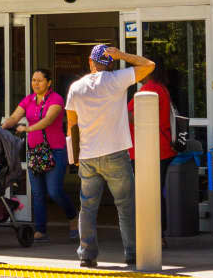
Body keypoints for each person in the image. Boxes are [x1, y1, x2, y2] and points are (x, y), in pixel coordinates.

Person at [66, 44, 155, 269]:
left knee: (87, 207)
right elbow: (149, 65)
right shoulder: (117, 79)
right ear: (111, 63)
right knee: (125, 205)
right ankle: (132, 253)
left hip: (87, 155)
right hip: (115, 153)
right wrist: (122, 55)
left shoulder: (76, 88)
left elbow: (72, 125)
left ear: (90, 61)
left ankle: (86, 255)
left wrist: (75, 157)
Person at [1, 67, 78, 243]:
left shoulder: (56, 99)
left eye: (40, 80)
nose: (35, 83)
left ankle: (73, 217)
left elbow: (48, 120)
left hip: (54, 150)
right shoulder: (29, 100)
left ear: (48, 82)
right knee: (37, 193)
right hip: (35, 151)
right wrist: (2, 127)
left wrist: (28, 128)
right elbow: (14, 117)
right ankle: (41, 230)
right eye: (33, 80)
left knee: (54, 191)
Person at [127, 62, 175, 242]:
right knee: (155, 191)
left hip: (148, 150)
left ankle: (152, 235)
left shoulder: (148, 89)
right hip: (161, 148)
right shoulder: (161, 88)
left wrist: (119, 110)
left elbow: (134, 115)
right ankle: (158, 233)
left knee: (147, 193)